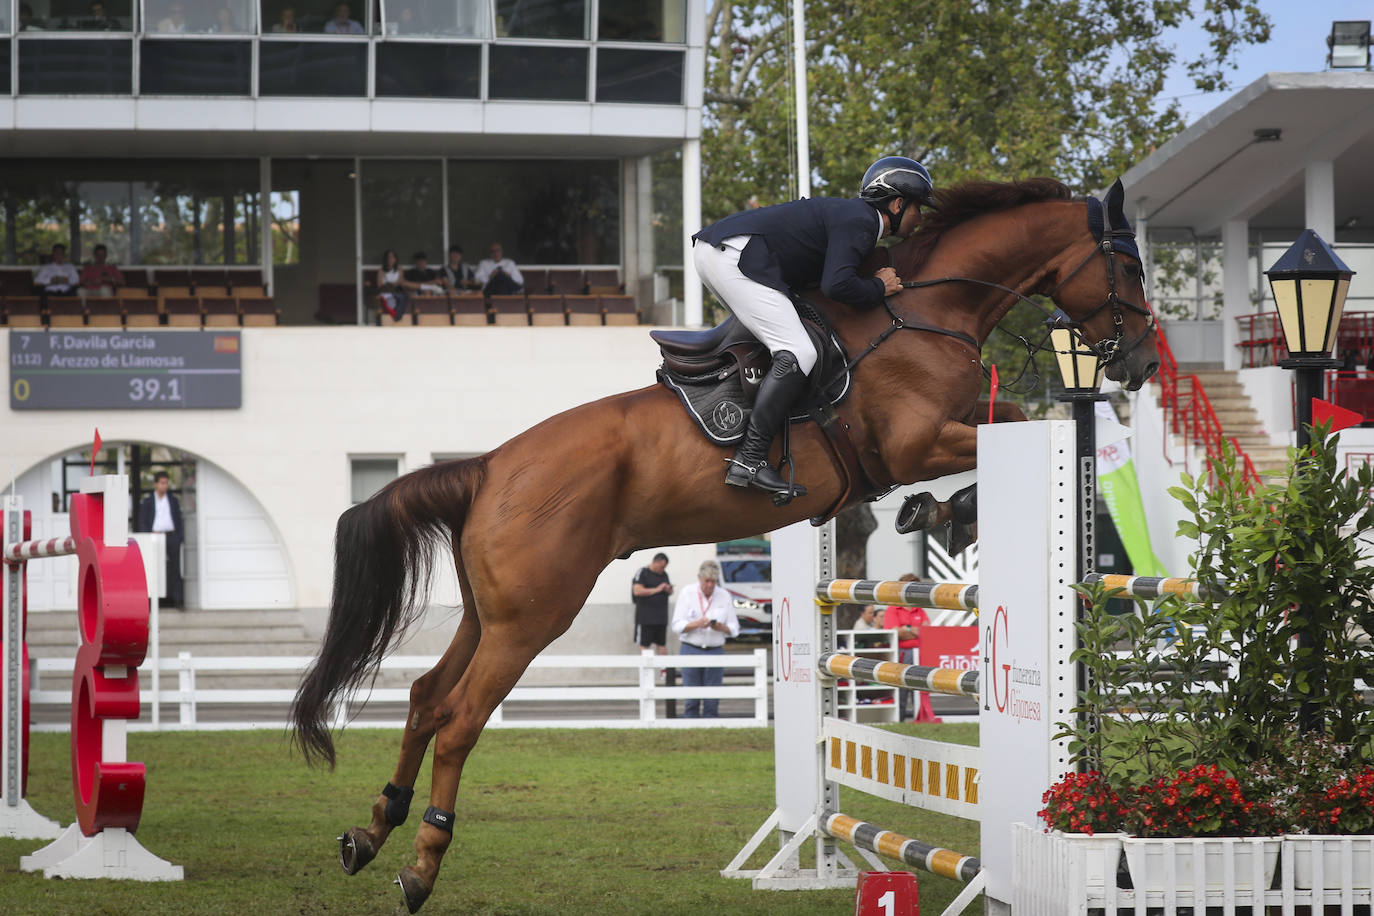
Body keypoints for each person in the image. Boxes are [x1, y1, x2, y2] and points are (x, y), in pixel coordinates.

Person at [691, 156, 933, 502]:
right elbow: (837, 286)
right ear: (897, 204)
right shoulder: (862, 222)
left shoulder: (852, 217)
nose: (920, 219)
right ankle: (751, 458)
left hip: (722, 251)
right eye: (918, 208)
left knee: (787, 338)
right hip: (735, 256)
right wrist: (880, 287)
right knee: (799, 351)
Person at [670, 559, 740, 718]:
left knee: (712, 700)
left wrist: (721, 627)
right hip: (690, 648)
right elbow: (677, 625)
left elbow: (735, 629)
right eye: (707, 581)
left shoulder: (724, 595)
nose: (709, 585)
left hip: (715, 650)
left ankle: (712, 731)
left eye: (713, 582)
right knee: (691, 699)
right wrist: (696, 624)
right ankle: (690, 731)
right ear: (700, 578)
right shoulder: (687, 593)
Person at [882, 573, 940, 723]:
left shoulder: (919, 609)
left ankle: (920, 720)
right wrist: (914, 630)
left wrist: (906, 629)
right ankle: (899, 721)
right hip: (901, 653)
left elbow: (927, 633)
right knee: (901, 690)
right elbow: (895, 633)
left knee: (920, 689)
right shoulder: (893, 609)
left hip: (919, 653)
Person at [137, 471, 185, 609]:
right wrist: (148, 535)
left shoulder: (173, 500)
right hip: (154, 536)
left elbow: (178, 520)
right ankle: (152, 601)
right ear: (156, 484)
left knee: (175, 568)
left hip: (171, 536)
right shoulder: (148, 501)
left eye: (166, 483)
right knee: (153, 567)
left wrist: (179, 536)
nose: (164, 486)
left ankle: (178, 600)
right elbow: (143, 521)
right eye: (162, 483)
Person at [631, 552, 673, 668]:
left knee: (662, 645)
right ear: (655, 562)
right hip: (645, 618)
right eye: (661, 566)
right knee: (645, 646)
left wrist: (668, 589)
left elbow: (669, 591)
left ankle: (664, 674)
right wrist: (657, 589)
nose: (662, 569)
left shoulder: (664, 575)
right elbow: (637, 591)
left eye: (664, 567)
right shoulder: (643, 572)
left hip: (661, 618)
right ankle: (646, 674)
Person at [375, 248, 407, 318]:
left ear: (395, 259)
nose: (391, 259)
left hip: (397, 292)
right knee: (391, 304)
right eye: (389, 257)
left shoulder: (399, 269)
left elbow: (401, 282)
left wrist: (392, 285)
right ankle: (394, 318)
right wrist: (392, 285)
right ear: (385, 259)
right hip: (385, 292)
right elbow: (379, 285)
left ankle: (398, 318)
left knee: (403, 297)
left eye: (393, 257)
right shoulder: (381, 270)